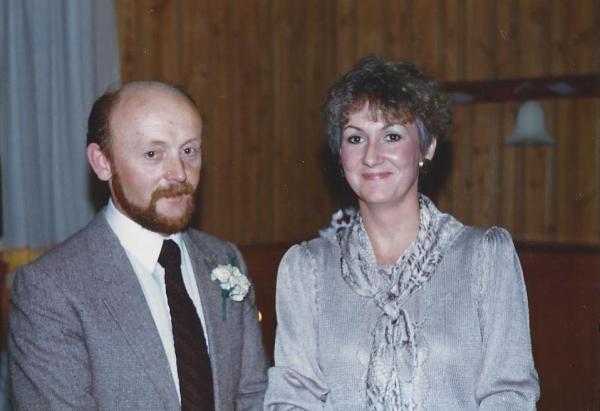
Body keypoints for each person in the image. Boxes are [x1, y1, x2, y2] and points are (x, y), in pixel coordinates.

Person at [264, 56, 540, 410]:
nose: (371, 156)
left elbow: (510, 393)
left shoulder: (484, 256)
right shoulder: (307, 268)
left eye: (392, 136)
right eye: (355, 138)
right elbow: (292, 398)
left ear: (427, 146)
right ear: (340, 155)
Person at [8, 81, 268, 410]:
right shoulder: (51, 289)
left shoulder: (224, 259)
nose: (179, 173)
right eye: (152, 154)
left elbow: (254, 395)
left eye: (189, 150)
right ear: (103, 163)